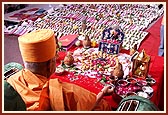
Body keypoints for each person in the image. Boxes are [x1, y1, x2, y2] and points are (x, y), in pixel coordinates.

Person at [5, 29, 114, 111]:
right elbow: (92, 102)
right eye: (55, 56)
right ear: (50, 64)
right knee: (103, 106)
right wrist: (103, 92)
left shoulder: (12, 80)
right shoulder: (63, 91)